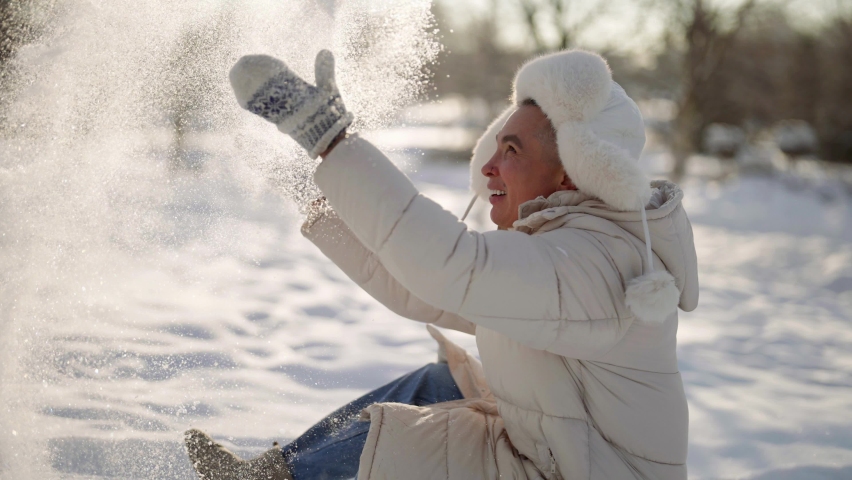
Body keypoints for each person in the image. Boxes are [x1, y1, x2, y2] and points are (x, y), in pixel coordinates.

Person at [185, 49, 699, 480]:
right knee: (440, 383)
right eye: (494, 146)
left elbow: (452, 267)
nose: (489, 166)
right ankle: (276, 472)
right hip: (550, 454)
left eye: (511, 150)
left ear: (571, 173)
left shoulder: (593, 262)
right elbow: (423, 289)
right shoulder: (560, 247)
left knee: (421, 442)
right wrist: (324, 196)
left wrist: (330, 141)